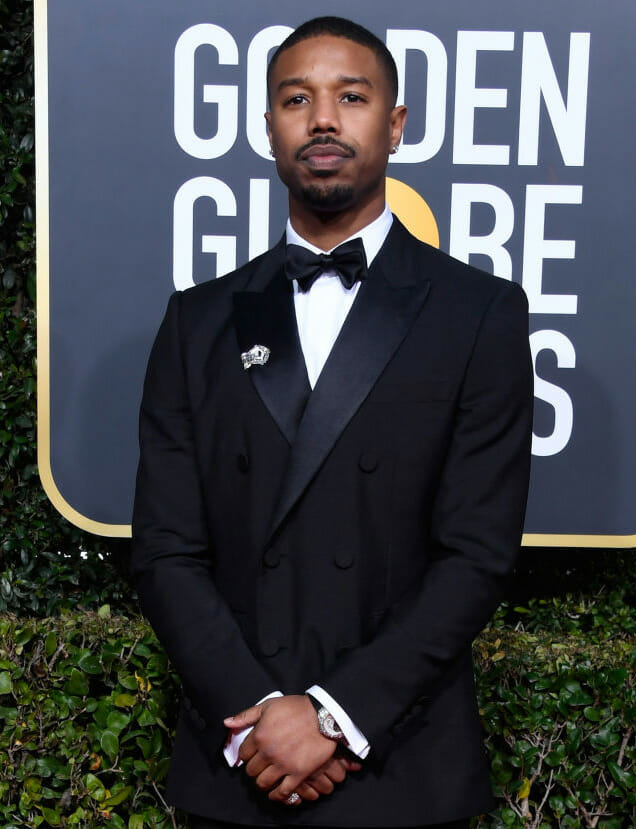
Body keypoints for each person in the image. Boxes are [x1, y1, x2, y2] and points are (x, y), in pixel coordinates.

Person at [130, 15, 533, 829]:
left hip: (402, 768)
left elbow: (477, 553)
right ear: (268, 127)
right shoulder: (197, 321)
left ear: (394, 125)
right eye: (295, 98)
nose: (322, 119)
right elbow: (167, 549)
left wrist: (334, 715)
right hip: (238, 768)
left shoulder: (479, 313)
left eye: (351, 97)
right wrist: (261, 721)